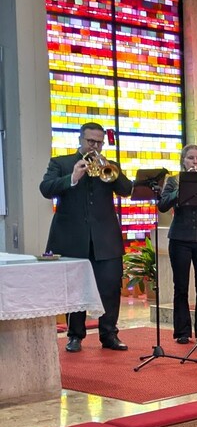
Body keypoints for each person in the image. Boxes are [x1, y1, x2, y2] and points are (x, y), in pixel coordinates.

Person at [40, 121, 135, 352]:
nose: (95, 146)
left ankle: (109, 334)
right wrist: (72, 177)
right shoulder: (61, 163)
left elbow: (126, 190)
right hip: (72, 239)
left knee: (110, 287)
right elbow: (46, 189)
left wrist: (110, 170)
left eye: (99, 143)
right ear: (80, 140)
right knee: (75, 290)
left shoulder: (109, 166)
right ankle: (75, 336)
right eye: (91, 141)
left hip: (106, 239)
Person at [157, 145, 197, 344]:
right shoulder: (174, 180)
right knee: (181, 287)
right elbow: (163, 205)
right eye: (191, 158)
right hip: (180, 239)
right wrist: (182, 189)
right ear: (183, 160)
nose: (195, 161)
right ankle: (182, 332)